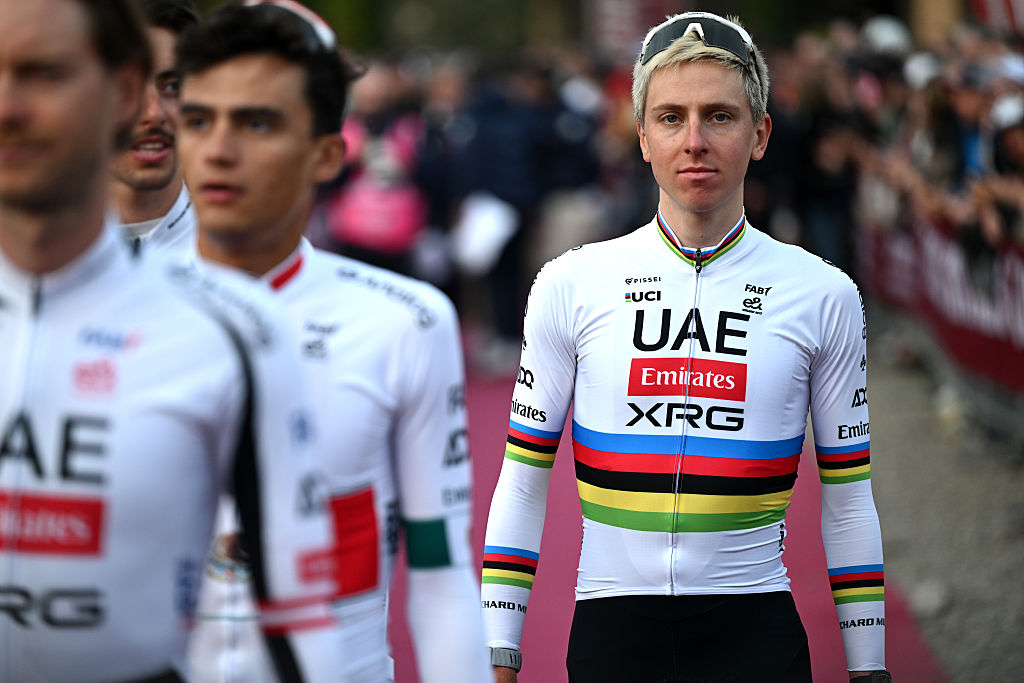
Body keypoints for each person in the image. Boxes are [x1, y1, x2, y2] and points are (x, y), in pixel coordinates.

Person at [481, 11, 890, 682]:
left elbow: (848, 495)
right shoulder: (570, 282)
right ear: (641, 137)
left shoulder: (824, 293)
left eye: (719, 117)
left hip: (755, 631)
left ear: (759, 135)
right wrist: (500, 648)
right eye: (671, 118)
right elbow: (523, 478)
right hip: (611, 631)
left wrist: (869, 665)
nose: (694, 140)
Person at [0, 0, 343, 680]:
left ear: (118, 93)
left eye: (45, 73)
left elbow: (301, 623)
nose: (10, 105)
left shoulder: (235, 327)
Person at [174, 2, 492, 681]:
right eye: (198, 120)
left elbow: (440, 572)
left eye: (257, 122)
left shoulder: (406, 321)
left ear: (326, 153)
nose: (219, 148)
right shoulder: (106, 313)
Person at [110, 0, 198, 255]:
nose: (154, 113)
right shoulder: (23, 256)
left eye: (172, 87)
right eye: (124, 88)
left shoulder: (253, 261)